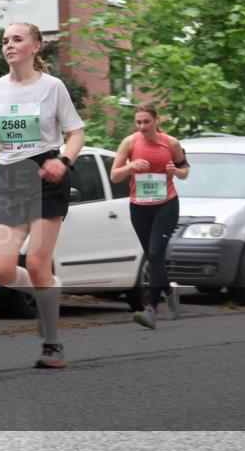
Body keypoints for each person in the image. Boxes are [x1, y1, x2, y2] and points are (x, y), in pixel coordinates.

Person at [0, 22, 85, 369]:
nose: (9, 45)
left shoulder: (52, 87)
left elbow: (76, 132)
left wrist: (63, 161)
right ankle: (46, 289)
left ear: (35, 47)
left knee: (37, 262)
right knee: (0, 270)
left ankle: (53, 344)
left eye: (17, 39)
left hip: (46, 175)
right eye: (5, 40)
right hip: (10, 179)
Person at [109, 103, 189, 329]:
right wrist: (131, 166)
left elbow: (185, 172)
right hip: (139, 206)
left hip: (166, 204)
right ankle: (170, 291)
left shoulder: (171, 143)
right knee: (153, 257)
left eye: (146, 122)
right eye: (138, 122)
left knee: (155, 253)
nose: (142, 126)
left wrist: (176, 171)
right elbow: (114, 176)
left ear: (157, 121)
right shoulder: (130, 142)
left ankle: (150, 309)